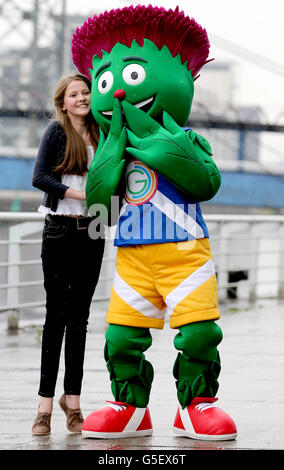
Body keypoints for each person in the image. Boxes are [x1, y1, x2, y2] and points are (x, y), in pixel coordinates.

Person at [71, 5, 237, 441]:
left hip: (186, 251)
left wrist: (170, 152)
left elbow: (207, 182)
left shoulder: (189, 140)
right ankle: (128, 406)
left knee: (199, 332)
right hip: (133, 258)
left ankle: (197, 405)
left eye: (134, 77)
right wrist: (107, 163)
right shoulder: (113, 150)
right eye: (106, 82)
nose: (119, 93)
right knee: (122, 337)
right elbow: (98, 207)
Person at [31, 73, 105, 436]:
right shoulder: (56, 132)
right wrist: (79, 195)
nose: (81, 98)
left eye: (85, 92)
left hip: (94, 228)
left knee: (80, 320)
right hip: (59, 228)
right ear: (63, 103)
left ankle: (72, 403)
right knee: (55, 317)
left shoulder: (103, 131)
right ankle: (44, 407)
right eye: (74, 94)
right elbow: (39, 178)